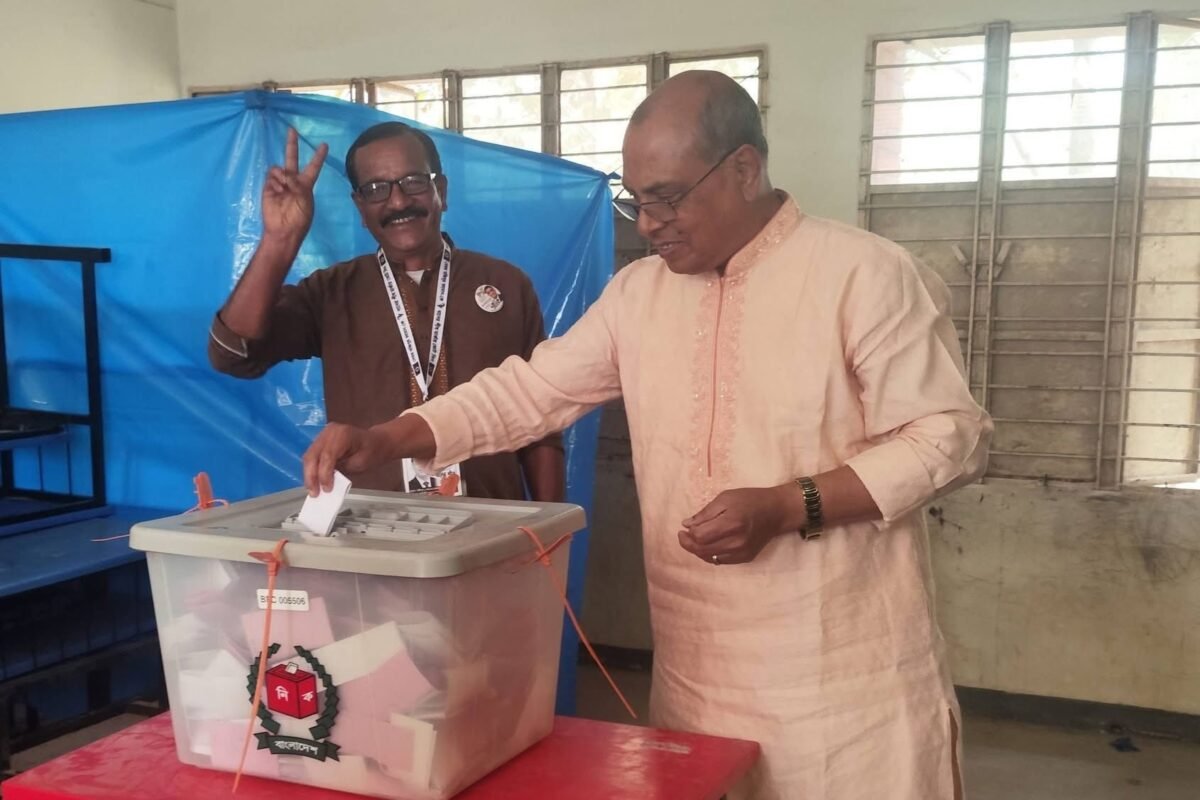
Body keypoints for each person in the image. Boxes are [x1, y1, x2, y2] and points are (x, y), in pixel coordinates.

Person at [301, 72, 992, 800]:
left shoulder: (863, 274)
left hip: (842, 686)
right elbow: (529, 390)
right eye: (636, 201)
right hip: (695, 673)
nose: (649, 224)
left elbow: (948, 437)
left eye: (667, 198)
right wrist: (390, 438)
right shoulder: (639, 293)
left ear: (744, 170)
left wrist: (790, 506)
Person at [208, 122, 564, 501]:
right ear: (360, 208)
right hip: (372, 532)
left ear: (441, 191)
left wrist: (554, 526)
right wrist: (280, 241)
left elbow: (540, 419)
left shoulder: (506, 285)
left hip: (495, 525)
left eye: (413, 181)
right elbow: (231, 353)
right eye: (376, 189)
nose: (397, 202)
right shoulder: (332, 291)